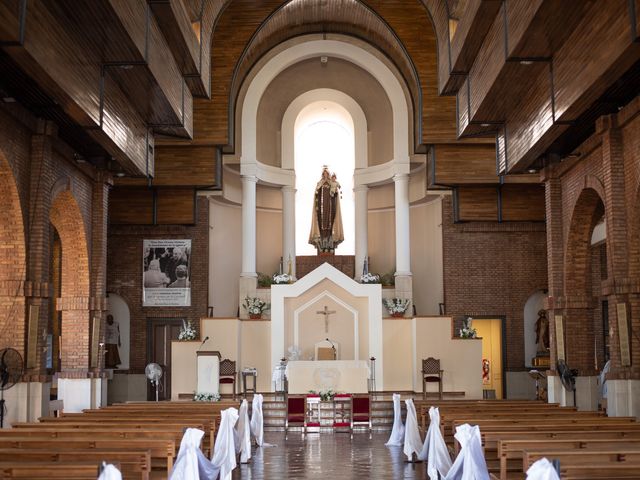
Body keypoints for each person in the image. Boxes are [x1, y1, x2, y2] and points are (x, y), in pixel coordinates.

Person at [308, 167, 344, 253]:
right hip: (321, 210)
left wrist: (335, 192)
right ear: (322, 174)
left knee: (330, 227)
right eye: (324, 174)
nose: (325, 175)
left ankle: (330, 246)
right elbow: (316, 195)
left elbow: (336, 193)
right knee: (322, 227)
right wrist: (317, 195)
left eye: (327, 174)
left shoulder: (332, 183)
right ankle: (322, 247)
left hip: (330, 208)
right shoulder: (319, 183)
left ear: (329, 174)